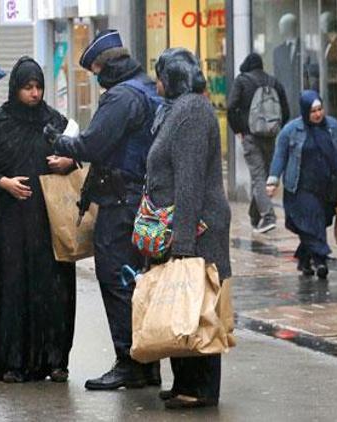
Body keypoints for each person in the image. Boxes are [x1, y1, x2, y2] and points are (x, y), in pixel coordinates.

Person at [45, 30, 161, 390]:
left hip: (120, 201)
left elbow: (94, 143)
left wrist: (58, 139)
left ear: (107, 67)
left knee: (116, 280)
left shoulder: (122, 97)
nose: (95, 79)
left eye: (96, 71)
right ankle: (146, 362)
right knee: (135, 281)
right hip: (139, 198)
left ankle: (130, 362)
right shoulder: (147, 89)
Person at [0, 56, 76, 383]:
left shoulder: (54, 122)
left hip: (48, 222)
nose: (34, 94)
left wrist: (67, 161)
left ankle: (54, 360)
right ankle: (11, 361)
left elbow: (76, 158)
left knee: (53, 290)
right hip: (12, 224)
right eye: (28, 87)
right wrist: (3, 183)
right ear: (15, 88)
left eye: (39, 87)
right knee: (14, 288)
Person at [147, 47, 232, 409]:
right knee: (180, 303)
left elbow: (190, 178)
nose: (156, 81)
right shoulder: (178, 110)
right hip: (184, 224)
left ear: (172, 78)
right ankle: (184, 380)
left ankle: (200, 388)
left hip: (197, 227)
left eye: (161, 75)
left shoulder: (191, 112)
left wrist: (182, 240)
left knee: (198, 306)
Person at [267, 90, 337, 279]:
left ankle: (304, 259)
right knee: (312, 223)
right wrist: (272, 181)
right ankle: (320, 260)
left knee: (319, 222)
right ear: (305, 111)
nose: (318, 114)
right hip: (300, 188)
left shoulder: (333, 127)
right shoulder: (291, 131)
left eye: (320, 109)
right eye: (313, 111)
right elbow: (280, 156)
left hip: (328, 187)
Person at [227, 53, 290, 233]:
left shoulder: (242, 81)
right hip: (270, 136)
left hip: (250, 136)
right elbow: (285, 110)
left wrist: (239, 129)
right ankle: (255, 215)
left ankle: (268, 216)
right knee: (262, 175)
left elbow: (231, 107)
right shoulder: (273, 82)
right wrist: (276, 129)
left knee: (258, 176)